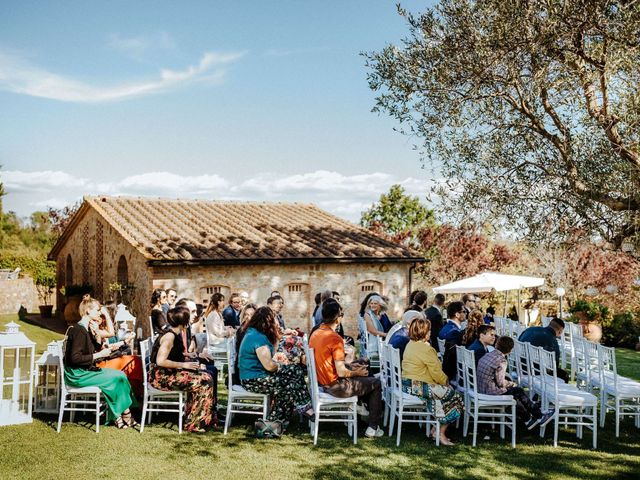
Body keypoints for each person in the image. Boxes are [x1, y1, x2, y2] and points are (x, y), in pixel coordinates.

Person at [309, 298, 384, 438]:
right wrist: (356, 372)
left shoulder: (316, 333)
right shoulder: (334, 338)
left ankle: (362, 409)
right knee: (376, 383)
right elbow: (341, 372)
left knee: (364, 363)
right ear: (338, 318)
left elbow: (328, 362)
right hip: (336, 386)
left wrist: (351, 365)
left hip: (324, 381)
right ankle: (373, 427)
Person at [64, 295, 137, 428]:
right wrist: (100, 354)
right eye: (98, 310)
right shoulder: (78, 330)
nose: (100, 313)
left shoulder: (87, 329)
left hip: (86, 370)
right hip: (77, 374)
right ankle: (122, 414)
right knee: (116, 378)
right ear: (88, 311)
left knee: (120, 375)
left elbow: (93, 350)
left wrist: (97, 335)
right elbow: (75, 358)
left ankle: (122, 413)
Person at [239, 306, 312, 431]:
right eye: (274, 320)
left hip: (258, 376)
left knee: (292, 377)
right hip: (253, 380)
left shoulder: (256, 333)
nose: (276, 322)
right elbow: (270, 366)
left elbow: (271, 356)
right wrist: (281, 366)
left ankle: (278, 421)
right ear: (267, 322)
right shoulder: (257, 337)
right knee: (292, 376)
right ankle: (302, 407)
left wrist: (277, 337)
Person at [149, 307, 217, 432]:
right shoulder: (170, 337)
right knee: (205, 380)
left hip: (169, 373)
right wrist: (184, 365)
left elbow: (172, 354)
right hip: (161, 377)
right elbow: (160, 361)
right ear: (183, 321)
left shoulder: (175, 333)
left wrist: (187, 355)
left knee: (206, 375)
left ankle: (198, 418)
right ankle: (195, 424)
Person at [402, 317, 464, 445]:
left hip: (407, 385)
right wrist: (447, 383)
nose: (430, 332)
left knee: (440, 396)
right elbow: (437, 373)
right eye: (429, 330)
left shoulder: (410, 344)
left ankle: (435, 430)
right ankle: (440, 433)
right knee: (456, 396)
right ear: (424, 332)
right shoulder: (426, 349)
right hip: (419, 386)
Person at [477, 336, 554, 429]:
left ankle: (530, 418)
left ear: (496, 344)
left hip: (481, 388)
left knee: (517, 393)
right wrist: (511, 383)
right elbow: (501, 383)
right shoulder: (501, 360)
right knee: (517, 391)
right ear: (510, 350)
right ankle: (537, 417)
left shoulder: (488, 354)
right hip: (490, 393)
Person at [85, 299, 143, 398]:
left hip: (106, 358)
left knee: (136, 361)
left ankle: (133, 394)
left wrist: (125, 341)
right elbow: (107, 342)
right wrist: (124, 341)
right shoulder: (93, 327)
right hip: (101, 362)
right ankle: (133, 395)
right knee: (135, 362)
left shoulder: (99, 328)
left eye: (101, 313)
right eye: (98, 312)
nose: (100, 316)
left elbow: (107, 344)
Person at [518, 317, 570, 382]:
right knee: (564, 375)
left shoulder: (529, 330)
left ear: (549, 324)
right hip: (534, 371)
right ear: (560, 331)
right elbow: (553, 366)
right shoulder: (552, 340)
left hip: (519, 366)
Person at [439, 301, 465, 381]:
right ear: (457, 314)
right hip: (454, 372)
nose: (466, 313)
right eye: (464, 311)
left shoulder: (445, 327)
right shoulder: (454, 332)